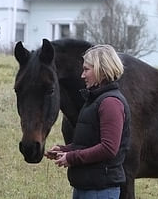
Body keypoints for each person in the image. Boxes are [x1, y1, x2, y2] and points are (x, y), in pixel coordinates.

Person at [45, 44, 131, 199]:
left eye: (86, 69)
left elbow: (109, 148)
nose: (82, 75)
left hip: (100, 191)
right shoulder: (95, 100)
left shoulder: (110, 103)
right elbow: (89, 143)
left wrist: (72, 158)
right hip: (87, 187)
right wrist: (65, 150)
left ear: (101, 70)